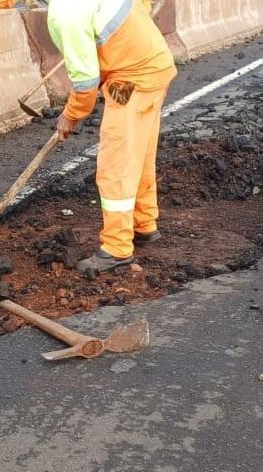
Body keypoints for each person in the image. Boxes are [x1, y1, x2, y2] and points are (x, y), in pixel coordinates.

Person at [47, 0, 176, 276]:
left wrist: (70, 115)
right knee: (139, 156)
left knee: (115, 166)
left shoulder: (66, 13)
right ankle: (143, 224)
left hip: (132, 81)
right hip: (154, 68)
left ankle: (117, 247)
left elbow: (85, 83)